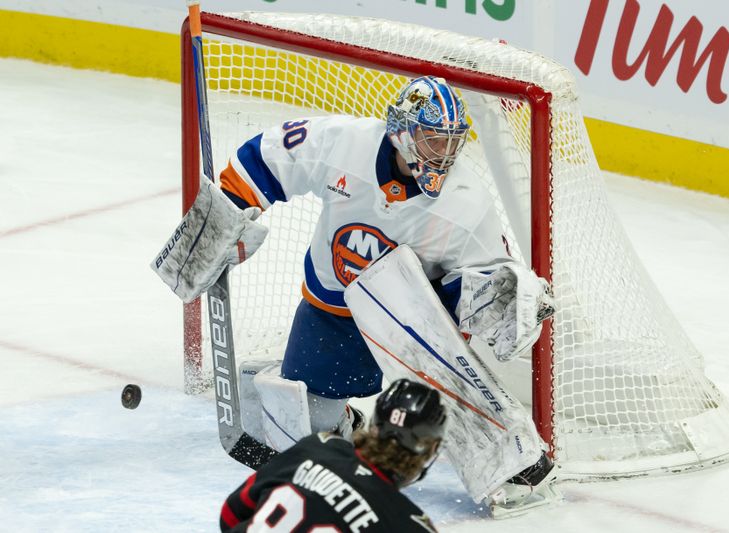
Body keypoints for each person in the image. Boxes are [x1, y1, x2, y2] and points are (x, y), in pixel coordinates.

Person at [154, 75, 558, 514]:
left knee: (444, 399)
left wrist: (492, 302)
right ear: (401, 132)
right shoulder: (345, 144)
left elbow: (477, 281)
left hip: (415, 325)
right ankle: (340, 420)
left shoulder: (466, 201)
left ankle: (514, 462)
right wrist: (228, 211)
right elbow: (269, 157)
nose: (445, 154)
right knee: (309, 431)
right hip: (333, 304)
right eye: (432, 140)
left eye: (452, 143)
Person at [220, 378, 446, 532]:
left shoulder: (318, 447)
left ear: (375, 427)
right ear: (427, 451)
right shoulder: (408, 525)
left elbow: (230, 515)